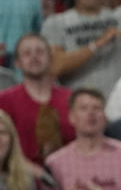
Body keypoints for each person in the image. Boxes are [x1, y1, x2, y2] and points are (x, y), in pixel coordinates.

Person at [0, 34, 75, 170]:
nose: (34, 57)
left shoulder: (72, 99)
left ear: (50, 58)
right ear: (17, 63)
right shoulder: (4, 101)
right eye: (27, 53)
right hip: (23, 180)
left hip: (71, 174)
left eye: (39, 52)